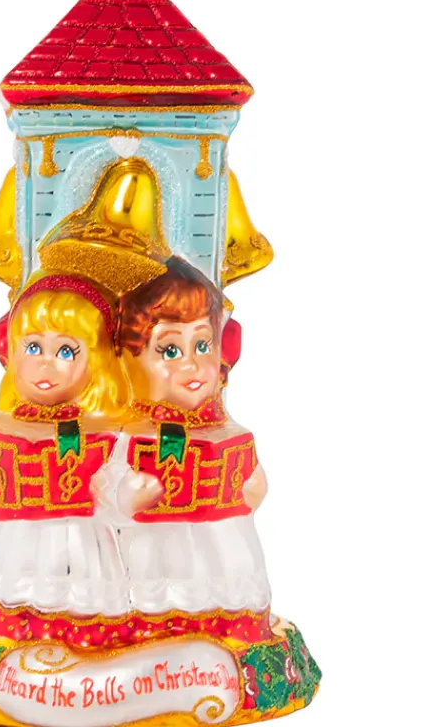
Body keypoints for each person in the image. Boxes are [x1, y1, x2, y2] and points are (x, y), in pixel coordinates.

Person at [0, 274, 130, 621]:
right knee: (13, 585)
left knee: (84, 591)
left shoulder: (103, 431)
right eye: (33, 347)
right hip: (17, 535)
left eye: (65, 351)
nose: (45, 363)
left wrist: (121, 490)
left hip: (79, 535)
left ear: (96, 361)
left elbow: (116, 479)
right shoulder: (2, 425)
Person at [115, 257, 272, 624]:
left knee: (226, 581)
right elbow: (100, 487)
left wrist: (253, 487)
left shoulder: (226, 431)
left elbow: (249, 483)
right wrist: (126, 494)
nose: (192, 365)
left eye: (202, 345)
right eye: (170, 351)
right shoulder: (128, 434)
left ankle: (224, 623)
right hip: (154, 548)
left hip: (219, 543)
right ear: (130, 359)